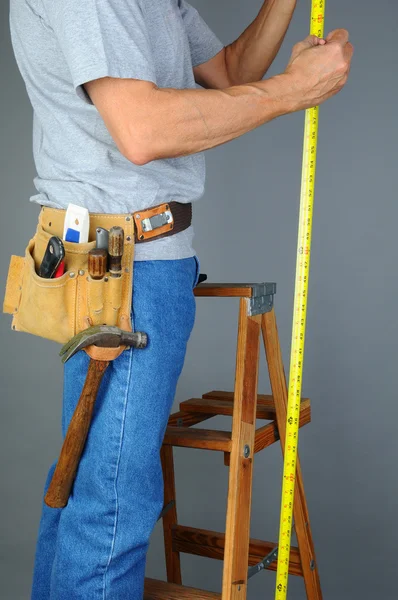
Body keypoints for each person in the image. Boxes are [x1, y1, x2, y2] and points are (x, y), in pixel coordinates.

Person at [9, 0, 353, 598]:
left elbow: (228, 73)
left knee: (86, 486)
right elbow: (144, 130)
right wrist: (290, 92)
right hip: (124, 268)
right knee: (111, 502)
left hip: (138, 261)